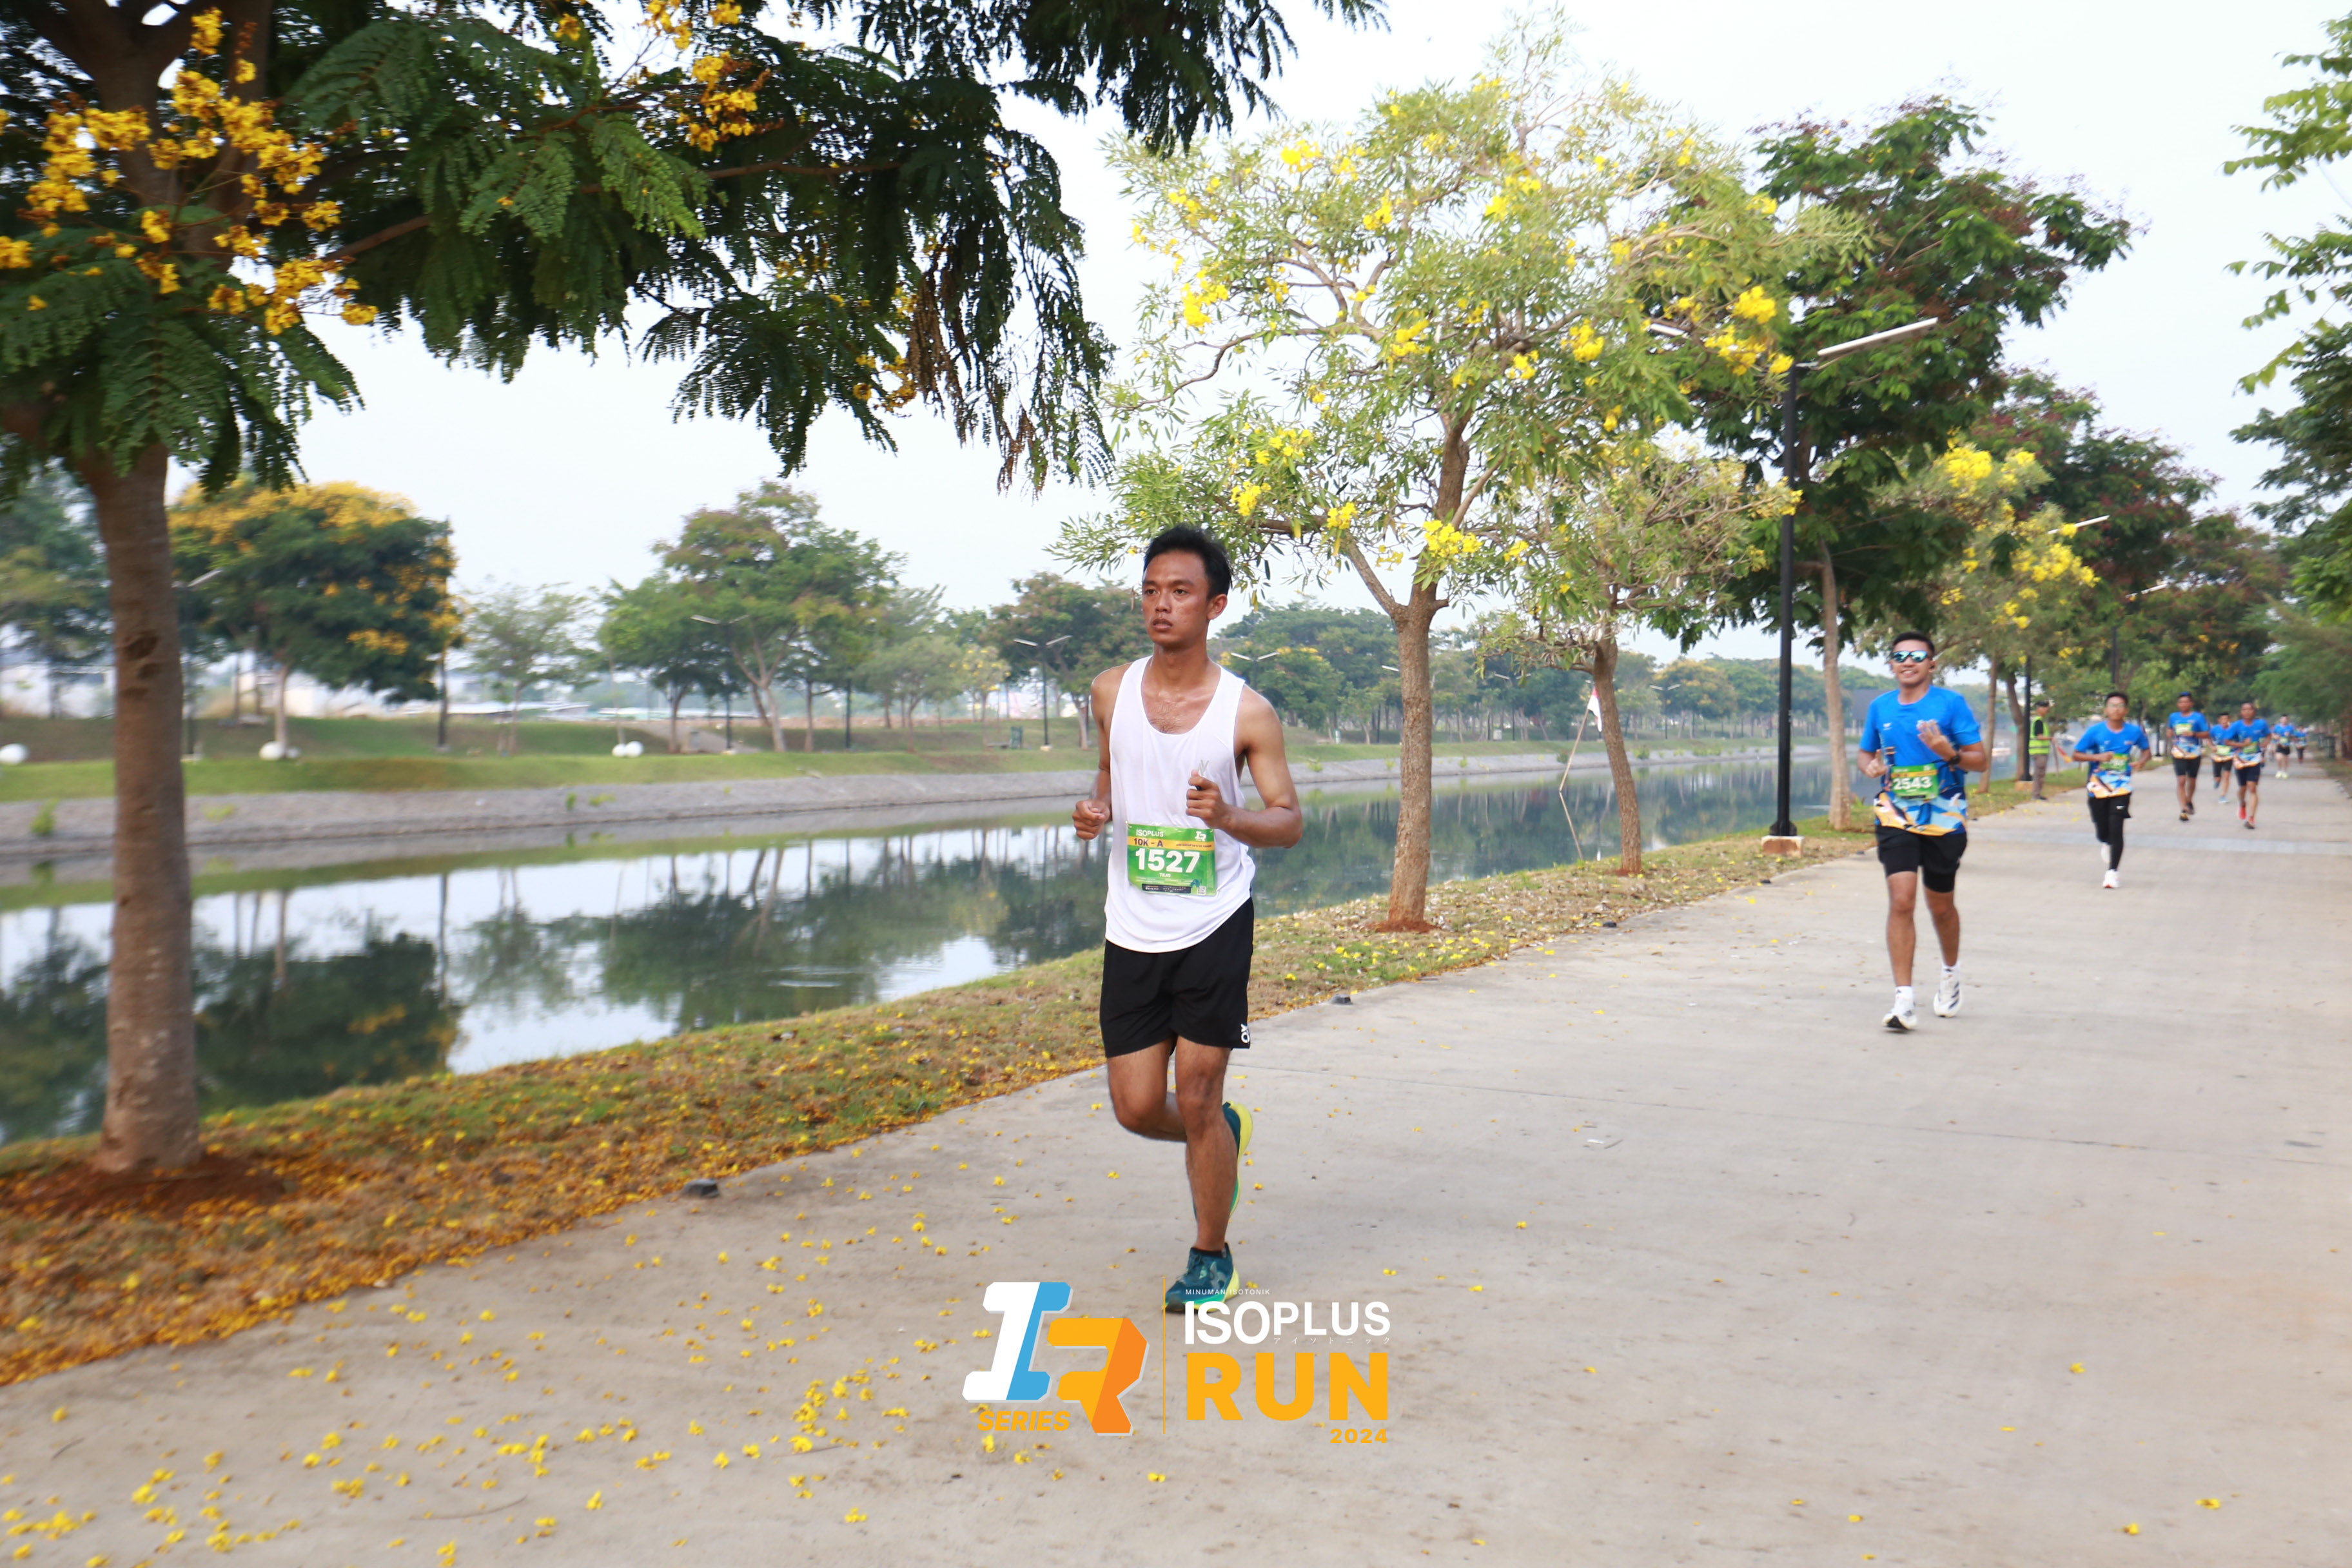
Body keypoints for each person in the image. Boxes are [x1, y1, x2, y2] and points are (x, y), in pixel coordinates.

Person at [1071, 525, 1303, 1313]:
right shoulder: (1111, 691)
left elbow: (1289, 820)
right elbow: (1110, 771)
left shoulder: (1248, 712)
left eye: (1179, 591)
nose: (1161, 604)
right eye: (1151, 590)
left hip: (1214, 921)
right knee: (1138, 1105)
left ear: (1215, 605)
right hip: (1131, 925)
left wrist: (1229, 816)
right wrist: (1096, 808)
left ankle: (1211, 1254)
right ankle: (1220, 1134)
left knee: (1197, 1092)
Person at [1857, 632, 1988, 1032]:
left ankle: (1950, 972)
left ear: (1932, 663)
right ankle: (1904, 1000)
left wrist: (1948, 752)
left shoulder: (1951, 704)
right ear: (1891, 665)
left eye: (1917, 655)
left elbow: (1980, 761)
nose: (1908, 662)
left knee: (1941, 906)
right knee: (1902, 900)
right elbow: (1865, 752)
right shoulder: (1880, 707)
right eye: (1900, 656)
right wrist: (1869, 767)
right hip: (1895, 813)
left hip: (1944, 815)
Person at [2068, 692, 2150, 888]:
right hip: (2098, 786)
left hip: (2122, 785)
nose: (2116, 709)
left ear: (2126, 710)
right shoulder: (2095, 731)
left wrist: (2142, 761)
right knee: (2103, 828)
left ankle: (2112, 872)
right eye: (2112, 705)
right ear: (2106, 710)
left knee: (2117, 826)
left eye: (2121, 706)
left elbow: (2146, 750)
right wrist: (2097, 757)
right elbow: (2077, 755)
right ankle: (2105, 840)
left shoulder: (2134, 732)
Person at [2162, 692, 2210, 821]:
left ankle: (2189, 801)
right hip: (2179, 752)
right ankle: (2183, 809)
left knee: (2192, 780)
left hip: (2194, 752)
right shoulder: (2173, 717)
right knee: (2182, 780)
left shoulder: (2198, 717)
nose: (2183, 704)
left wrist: (2194, 734)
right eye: (2181, 702)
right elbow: (2169, 730)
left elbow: (2206, 734)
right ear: (2178, 704)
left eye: (2186, 702)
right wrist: (2170, 733)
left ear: (2191, 704)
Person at [2222, 700, 2270, 829]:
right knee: (2243, 788)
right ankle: (2242, 803)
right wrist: (2242, 745)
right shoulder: (2236, 726)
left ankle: (2251, 819)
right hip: (2240, 760)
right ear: (2241, 712)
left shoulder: (2261, 724)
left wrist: (2265, 743)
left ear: (2254, 712)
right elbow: (2227, 741)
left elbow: (2268, 735)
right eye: (2244, 710)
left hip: (2255, 759)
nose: (2247, 712)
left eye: (2250, 709)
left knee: (2252, 787)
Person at [2026, 699, 2053, 800]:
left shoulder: (2041, 721)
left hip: (2042, 752)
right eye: (2043, 707)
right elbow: (2040, 737)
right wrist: (2051, 738)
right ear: (2038, 709)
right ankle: (2036, 795)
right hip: (2039, 752)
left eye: (2046, 707)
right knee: (2039, 774)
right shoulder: (2039, 721)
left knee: (2041, 774)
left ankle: (2038, 794)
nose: (2046, 709)